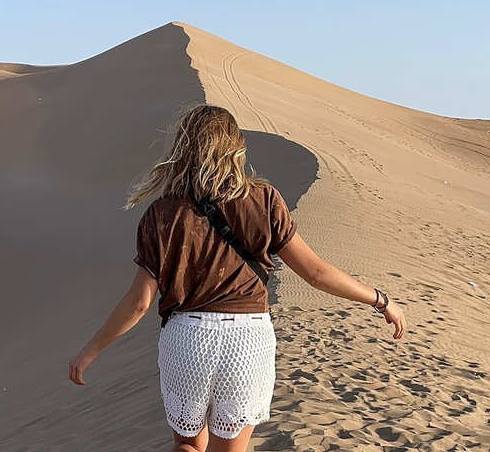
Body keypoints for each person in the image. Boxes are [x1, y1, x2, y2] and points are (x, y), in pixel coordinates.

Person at [69, 104, 407, 452]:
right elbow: (316, 274)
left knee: (187, 446)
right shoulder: (264, 200)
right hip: (247, 341)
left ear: (184, 150)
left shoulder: (163, 213)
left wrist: (90, 350)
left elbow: (140, 303)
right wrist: (380, 300)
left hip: (188, 339)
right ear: (235, 149)